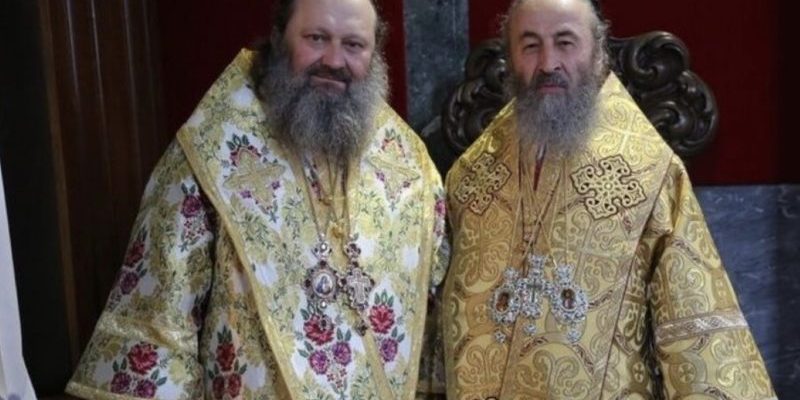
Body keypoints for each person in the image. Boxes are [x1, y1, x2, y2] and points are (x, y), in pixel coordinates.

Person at [65, 0, 448, 398]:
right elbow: (161, 323)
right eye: (317, 38)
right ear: (280, 37)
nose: (334, 61)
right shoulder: (211, 154)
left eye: (354, 45)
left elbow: (435, 328)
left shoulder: (410, 170)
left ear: (374, 52)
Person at [441, 0, 775, 398]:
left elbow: (696, 333)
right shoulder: (471, 177)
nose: (548, 63)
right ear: (510, 58)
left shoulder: (650, 173)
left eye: (565, 42)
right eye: (530, 46)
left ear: (597, 51)